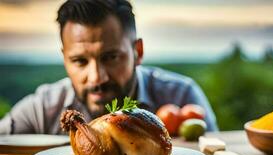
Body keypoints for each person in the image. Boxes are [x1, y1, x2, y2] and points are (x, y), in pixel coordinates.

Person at [0, 0, 218, 135]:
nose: (96, 77)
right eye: (80, 61)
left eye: (111, 57)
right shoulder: (42, 110)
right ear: (65, 59)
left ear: (138, 52)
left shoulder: (182, 97)